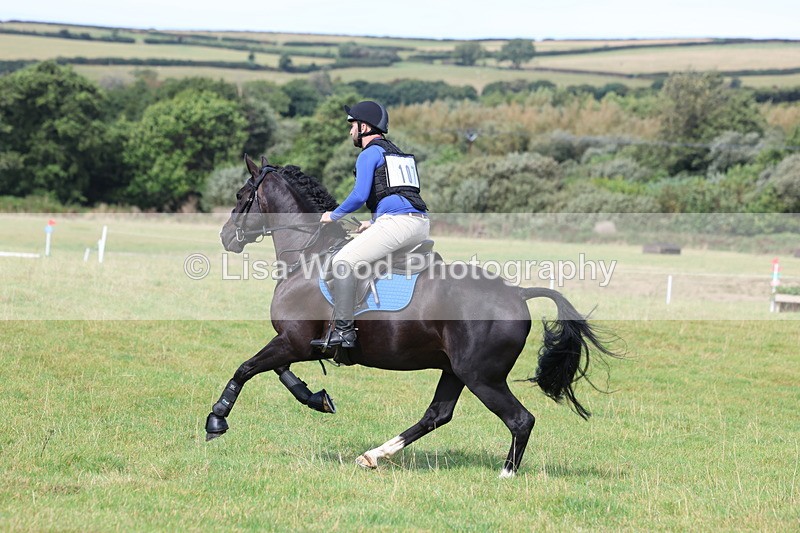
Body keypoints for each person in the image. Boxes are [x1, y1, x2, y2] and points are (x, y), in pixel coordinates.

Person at [311, 100, 429, 349]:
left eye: (352, 125)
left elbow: (359, 196)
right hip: (419, 224)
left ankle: (344, 332)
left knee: (343, 262)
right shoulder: (395, 152)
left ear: (364, 127)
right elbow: (400, 193)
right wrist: (373, 221)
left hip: (398, 224)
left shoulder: (369, 153)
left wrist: (333, 215)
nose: (350, 131)